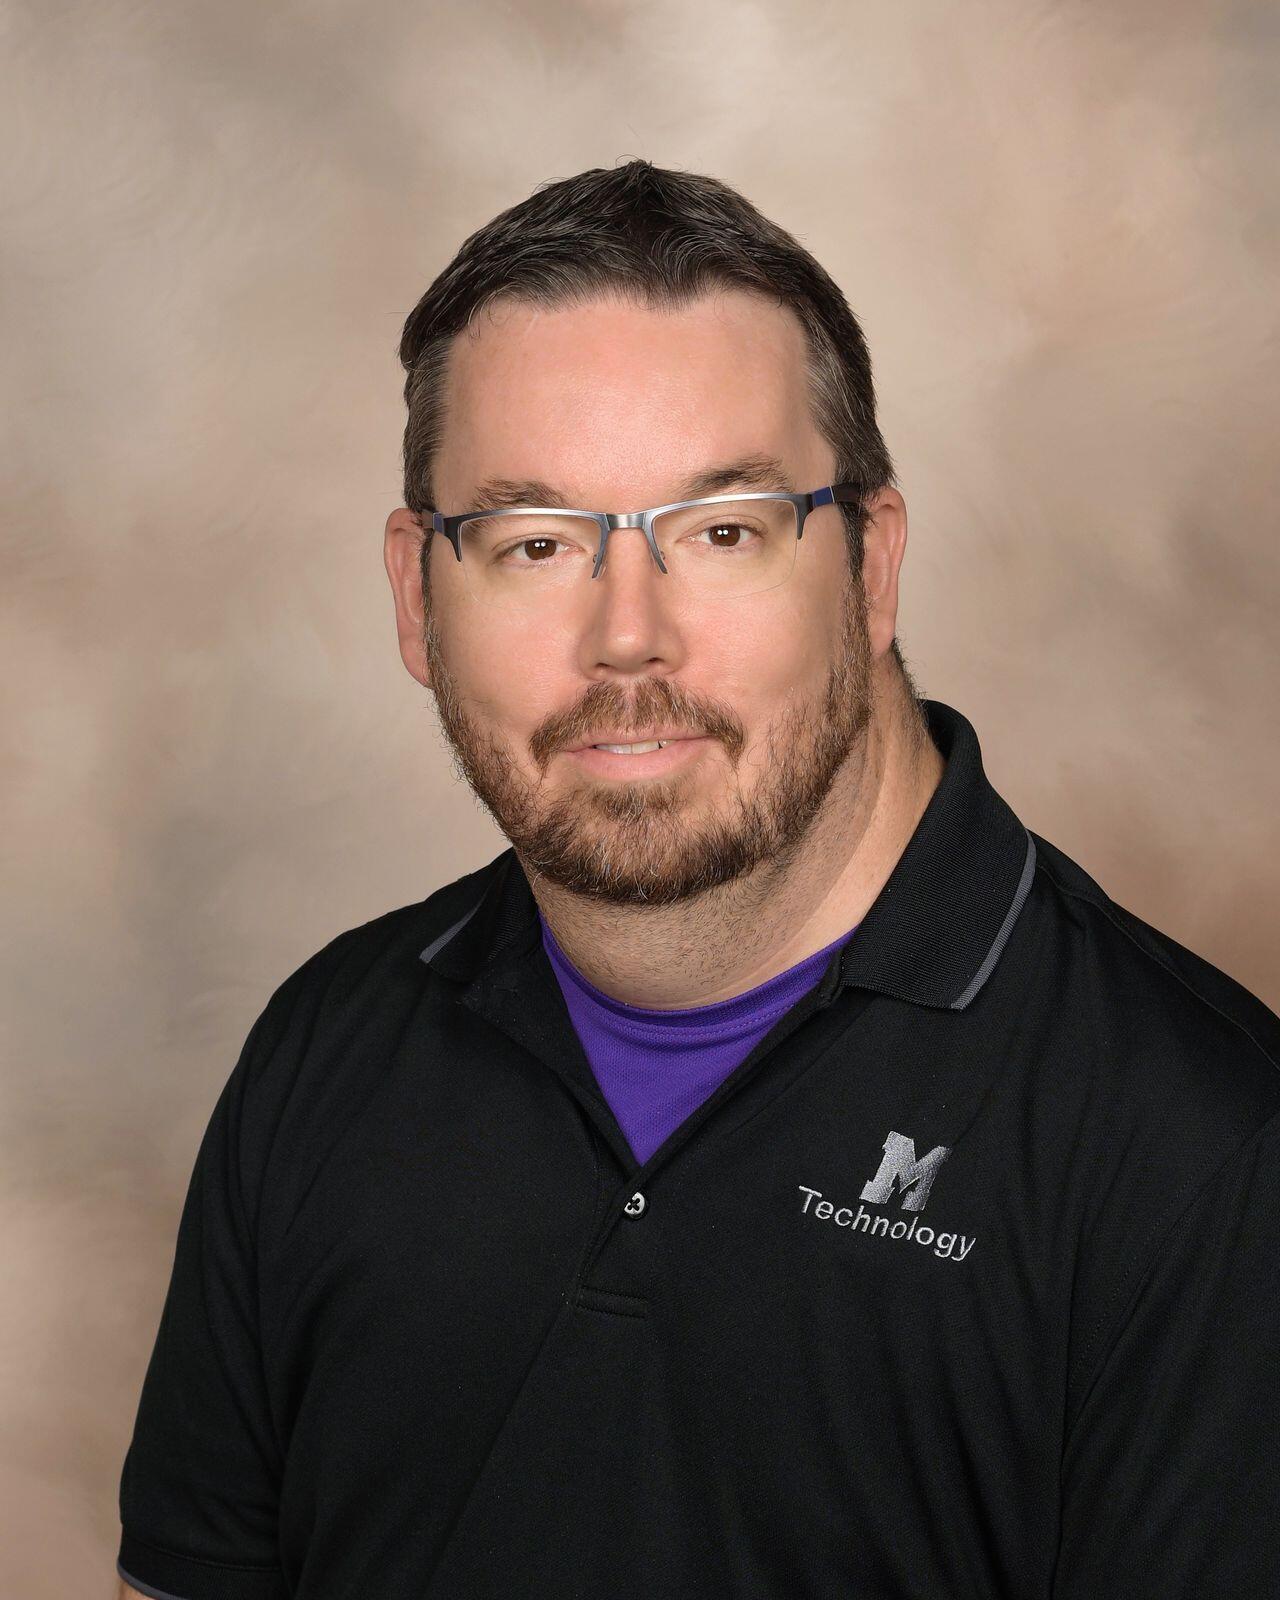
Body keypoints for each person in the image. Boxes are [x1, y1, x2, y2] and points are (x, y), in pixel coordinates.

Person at [115, 160, 1280, 1600]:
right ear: (417, 597)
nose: (628, 637)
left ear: (870, 567)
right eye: (535, 544)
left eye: (723, 531)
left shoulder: (1201, 1151)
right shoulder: (326, 1051)